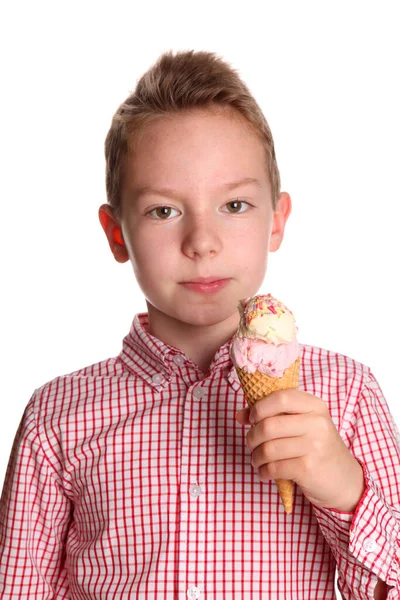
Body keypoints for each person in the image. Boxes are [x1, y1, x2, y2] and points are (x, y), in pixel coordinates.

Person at [0, 50, 398, 600]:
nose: (202, 242)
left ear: (277, 221)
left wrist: (347, 491)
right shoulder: (57, 419)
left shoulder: (346, 395)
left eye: (234, 205)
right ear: (117, 234)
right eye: (164, 211)